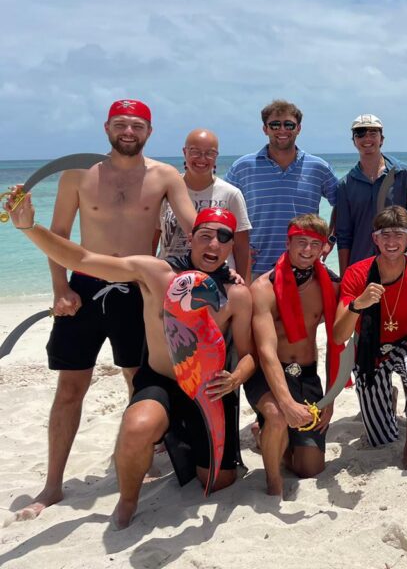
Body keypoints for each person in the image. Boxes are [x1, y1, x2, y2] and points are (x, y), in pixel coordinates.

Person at [6, 197, 254, 528]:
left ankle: (180, 441)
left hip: (207, 390)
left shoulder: (236, 294)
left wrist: (237, 376)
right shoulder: (155, 273)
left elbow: (249, 353)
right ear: (190, 237)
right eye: (206, 235)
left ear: (231, 246)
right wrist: (28, 228)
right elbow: (83, 259)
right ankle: (127, 500)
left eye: (225, 237)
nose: (215, 243)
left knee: (219, 481)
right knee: (137, 427)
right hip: (162, 380)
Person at [19, 99, 197, 521]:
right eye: (121, 124)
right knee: (70, 388)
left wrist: (224, 262)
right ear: (107, 128)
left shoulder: (165, 176)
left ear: (149, 132)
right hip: (83, 287)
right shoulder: (78, 175)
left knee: (138, 380)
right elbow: (60, 236)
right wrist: (60, 288)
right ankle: (53, 484)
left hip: (136, 291)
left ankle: (140, 463)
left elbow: (194, 224)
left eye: (137, 126)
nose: (129, 132)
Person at [246, 214, 346, 495]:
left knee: (310, 468)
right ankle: (273, 482)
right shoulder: (264, 287)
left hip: (306, 375)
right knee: (278, 416)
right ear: (288, 242)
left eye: (316, 244)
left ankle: (270, 439)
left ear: (324, 247)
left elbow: (340, 341)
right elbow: (265, 351)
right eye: (301, 242)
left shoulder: (330, 284)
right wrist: (287, 403)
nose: (308, 250)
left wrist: (330, 398)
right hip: (269, 375)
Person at [335, 207, 407, 468]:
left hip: (405, 345)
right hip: (371, 351)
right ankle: (388, 398)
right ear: (375, 239)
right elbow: (339, 335)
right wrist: (357, 305)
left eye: (399, 235)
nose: (392, 242)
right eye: (385, 235)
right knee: (380, 438)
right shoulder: (357, 274)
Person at [225, 100, 338, 278]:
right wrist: (231, 246)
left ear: (298, 128)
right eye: (275, 125)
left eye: (289, 124)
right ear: (265, 129)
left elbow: (343, 206)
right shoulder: (242, 167)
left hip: (304, 266)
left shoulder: (319, 168)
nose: (282, 130)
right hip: (254, 267)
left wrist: (329, 240)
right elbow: (223, 209)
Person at [156, 128, 252, 275]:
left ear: (216, 156)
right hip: (169, 276)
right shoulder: (165, 191)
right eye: (195, 151)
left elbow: (241, 248)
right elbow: (153, 238)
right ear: (184, 152)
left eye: (209, 153)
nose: (202, 158)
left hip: (217, 278)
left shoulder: (231, 194)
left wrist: (245, 289)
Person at [335, 114, 407, 276]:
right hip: (361, 267)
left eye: (373, 133)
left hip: (400, 264)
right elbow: (344, 236)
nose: (367, 138)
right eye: (360, 133)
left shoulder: (404, 174)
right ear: (354, 141)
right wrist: (344, 278)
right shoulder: (345, 184)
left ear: (382, 139)